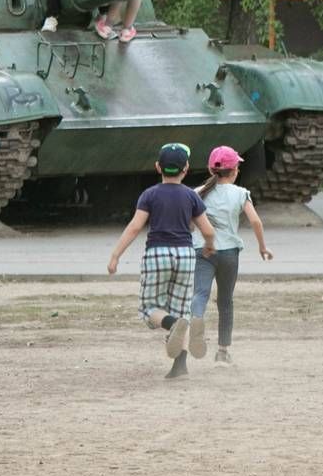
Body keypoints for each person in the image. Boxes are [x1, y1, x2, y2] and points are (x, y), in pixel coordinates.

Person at [107, 142, 218, 380]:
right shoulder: (191, 196)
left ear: (158, 167)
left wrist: (116, 255)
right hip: (186, 256)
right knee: (181, 310)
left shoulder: (150, 194)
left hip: (157, 254)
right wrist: (209, 247)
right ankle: (180, 366)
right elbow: (208, 231)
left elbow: (135, 227)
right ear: (186, 169)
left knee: (149, 310)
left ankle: (171, 324)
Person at [190, 145, 273, 366]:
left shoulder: (197, 193)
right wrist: (262, 247)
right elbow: (255, 221)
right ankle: (222, 353)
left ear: (211, 169)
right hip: (229, 254)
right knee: (225, 301)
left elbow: (189, 223)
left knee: (200, 293)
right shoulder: (240, 193)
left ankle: (196, 319)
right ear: (235, 170)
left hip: (202, 250)